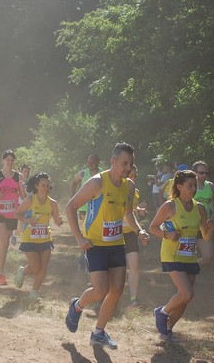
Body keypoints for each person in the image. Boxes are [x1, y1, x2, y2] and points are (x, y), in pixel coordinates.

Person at [64, 142, 150, 349]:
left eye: (131, 164)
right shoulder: (97, 182)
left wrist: (139, 231)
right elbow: (71, 206)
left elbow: (128, 214)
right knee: (101, 290)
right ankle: (77, 306)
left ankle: (98, 333)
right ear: (113, 162)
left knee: (117, 290)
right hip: (95, 245)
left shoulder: (129, 186)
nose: (128, 168)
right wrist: (79, 238)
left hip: (116, 243)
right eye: (124, 163)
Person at [149, 170, 214, 342]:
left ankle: (167, 331)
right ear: (179, 187)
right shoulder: (170, 206)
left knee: (184, 299)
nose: (194, 189)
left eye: (194, 185)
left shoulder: (199, 208)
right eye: (190, 185)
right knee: (187, 293)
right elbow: (153, 227)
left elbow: (205, 236)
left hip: (189, 256)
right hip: (172, 255)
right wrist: (167, 235)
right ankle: (161, 312)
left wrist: (211, 228)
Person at [15, 172, 63, 299]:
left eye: (48, 185)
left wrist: (59, 221)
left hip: (45, 238)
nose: (46, 188)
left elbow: (56, 219)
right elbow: (18, 214)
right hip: (29, 239)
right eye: (43, 185)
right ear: (36, 186)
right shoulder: (30, 200)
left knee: (43, 267)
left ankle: (34, 292)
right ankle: (22, 271)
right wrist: (27, 219)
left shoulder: (52, 203)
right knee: (36, 267)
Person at [0, 150, 27, 286]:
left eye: (12, 160)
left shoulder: (18, 176)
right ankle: (0, 274)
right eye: (7, 160)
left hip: (12, 213)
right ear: (2, 161)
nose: (9, 162)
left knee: (3, 243)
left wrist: (22, 188)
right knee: (4, 240)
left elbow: (23, 196)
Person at [70, 154, 102, 272]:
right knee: (87, 234)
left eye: (92, 162)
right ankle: (86, 260)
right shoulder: (83, 173)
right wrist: (74, 197)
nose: (90, 164)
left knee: (93, 235)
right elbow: (73, 183)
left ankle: (82, 259)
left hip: (98, 207)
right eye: (88, 162)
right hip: (84, 207)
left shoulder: (103, 174)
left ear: (98, 162)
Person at [124, 164, 148, 307]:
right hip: (115, 233)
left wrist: (141, 212)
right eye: (129, 175)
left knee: (134, 265)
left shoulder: (136, 191)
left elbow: (131, 211)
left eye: (134, 176)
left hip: (131, 233)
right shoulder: (115, 189)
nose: (132, 178)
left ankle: (133, 299)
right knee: (116, 269)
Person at [192, 161, 214, 267]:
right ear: (194, 173)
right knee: (187, 256)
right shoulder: (190, 187)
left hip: (205, 226)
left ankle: (191, 268)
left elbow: (212, 201)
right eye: (201, 173)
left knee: (207, 257)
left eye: (206, 173)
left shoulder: (210, 186)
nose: (204, 175)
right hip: (191, 226)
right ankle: (184, 273)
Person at [12, 163, 32, 245]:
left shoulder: (31, 182)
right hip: (20, 206)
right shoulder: (17, 181)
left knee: (28, 226)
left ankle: (27, 242)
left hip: (29, 207)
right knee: (20, 228)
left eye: (27, 172)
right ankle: (13, 234)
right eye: (24, 171)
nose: (26, 173)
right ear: (21, 171)